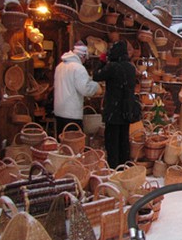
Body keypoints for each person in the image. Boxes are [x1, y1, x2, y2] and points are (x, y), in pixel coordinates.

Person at [93, 40, 136, 168]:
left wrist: (101, 61)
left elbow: (96, 76)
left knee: (112, 142)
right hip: (126, 110)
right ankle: (124, 168)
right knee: (123, 141)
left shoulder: (113, 67)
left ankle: (113, 169)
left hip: (113, 110)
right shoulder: (130, 67)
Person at [53, 41, 102, 137]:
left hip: (59, 110)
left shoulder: (60, 66)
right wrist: (96, 86)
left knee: (62, 141)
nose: (85, 61)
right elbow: (85, 89)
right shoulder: (78, 68)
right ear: (82, 56)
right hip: (72, 113)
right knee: (73, 143)